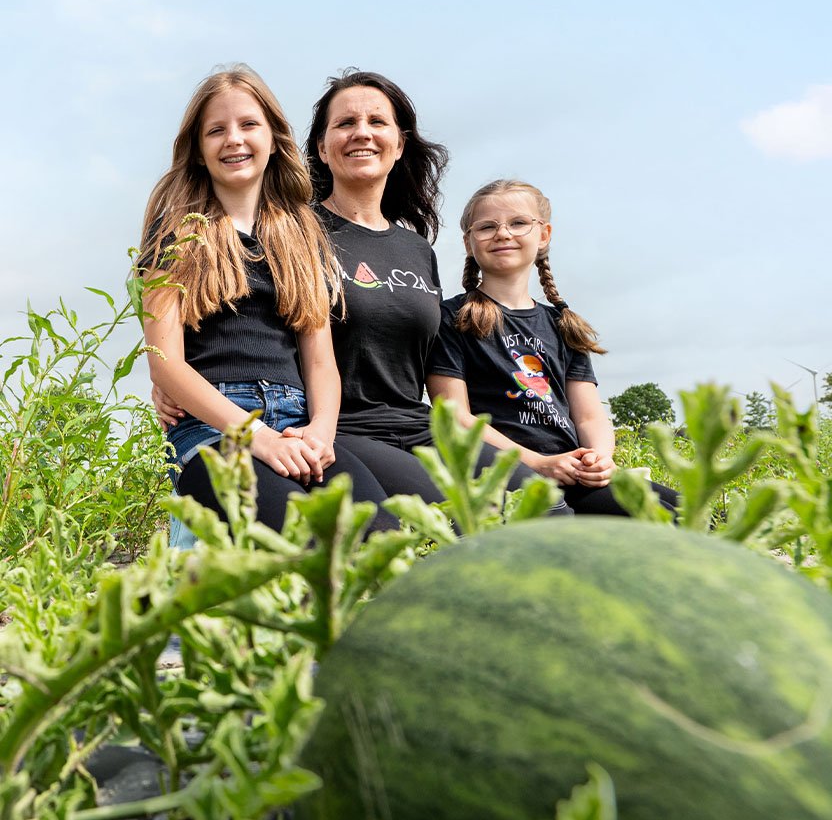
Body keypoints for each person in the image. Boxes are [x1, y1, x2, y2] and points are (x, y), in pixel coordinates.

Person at [141, 65, 395, 534]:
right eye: (216, 130)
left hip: (297, 422)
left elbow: (320, 361)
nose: (233, 139)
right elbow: (165, 364)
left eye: (248, 125)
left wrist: (321, 431)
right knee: (297, 536)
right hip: (213, 426)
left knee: (381, 533)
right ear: (198, 151)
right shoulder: (175, 234)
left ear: (274, 138)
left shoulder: (301, 235)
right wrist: (257, 436)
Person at [300, 70, 565, 508]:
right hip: (344, 430)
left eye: (377, 122)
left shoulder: (416, 249)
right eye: (345, 123)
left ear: (399, 145)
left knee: (547, 507)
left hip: (420, 427)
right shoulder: (296, 231)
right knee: (456, 520)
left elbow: (442, 373)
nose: (361, 133)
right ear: (323, 149)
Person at [427, 179, 679, 516]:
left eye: (518, 223)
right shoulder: (452, 318)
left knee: (693, 510)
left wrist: (600, 457)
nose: (503, 233)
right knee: (656, 519)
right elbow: (456, 416)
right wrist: (539, 462)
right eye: (487, 227)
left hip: (575, 469)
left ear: (543, 234)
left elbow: (589, 415)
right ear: (469, 243)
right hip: (512, 471)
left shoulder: (562, 325)